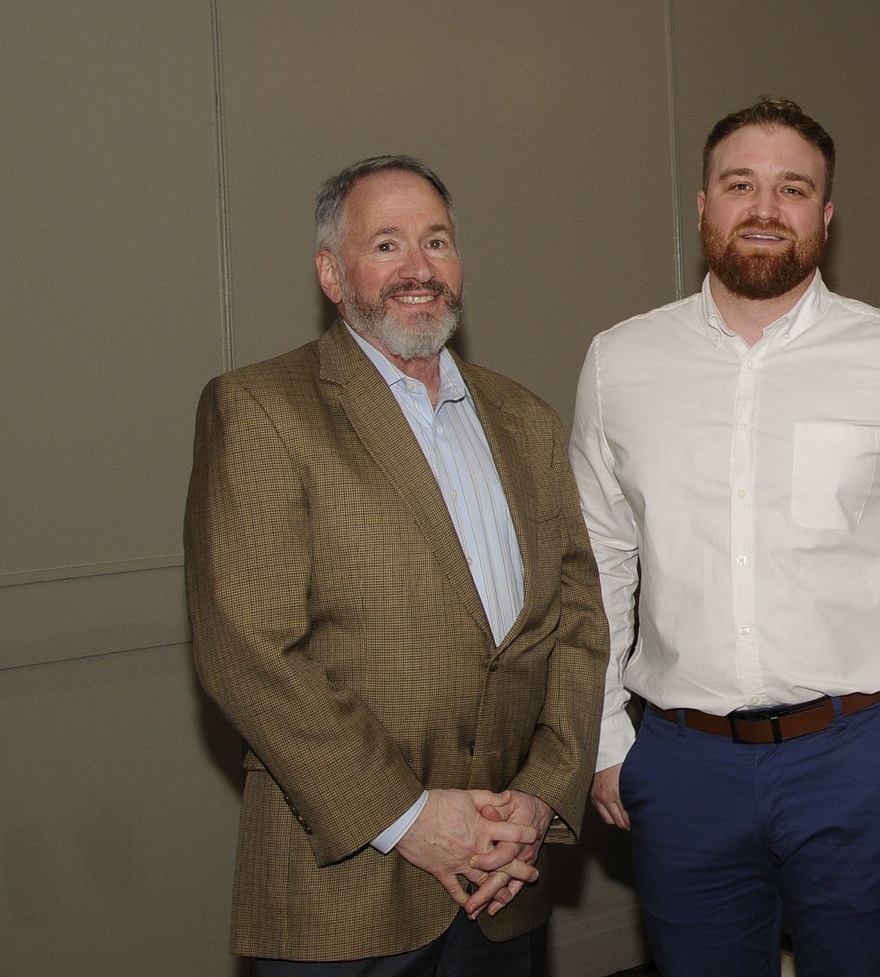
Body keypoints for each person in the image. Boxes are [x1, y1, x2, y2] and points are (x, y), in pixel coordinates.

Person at [574, 97, 880, 977]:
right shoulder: (620, 363)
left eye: (793, 188)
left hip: (860, 760)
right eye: (741, 184)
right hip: (681, 767)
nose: (765, 208)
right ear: (703, 206)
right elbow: (596, 564)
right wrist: (610, 744)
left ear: (826, 216)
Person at [185, 155, 608, 974]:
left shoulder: (527, 419)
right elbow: (249, 649)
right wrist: (408, 816)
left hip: (504, 885)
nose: (419, 268)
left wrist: (537, 797)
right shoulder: (262, 408)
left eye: (437, 241)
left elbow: (578, 625)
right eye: (387, 244)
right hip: (345, 896)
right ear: (332, 273)